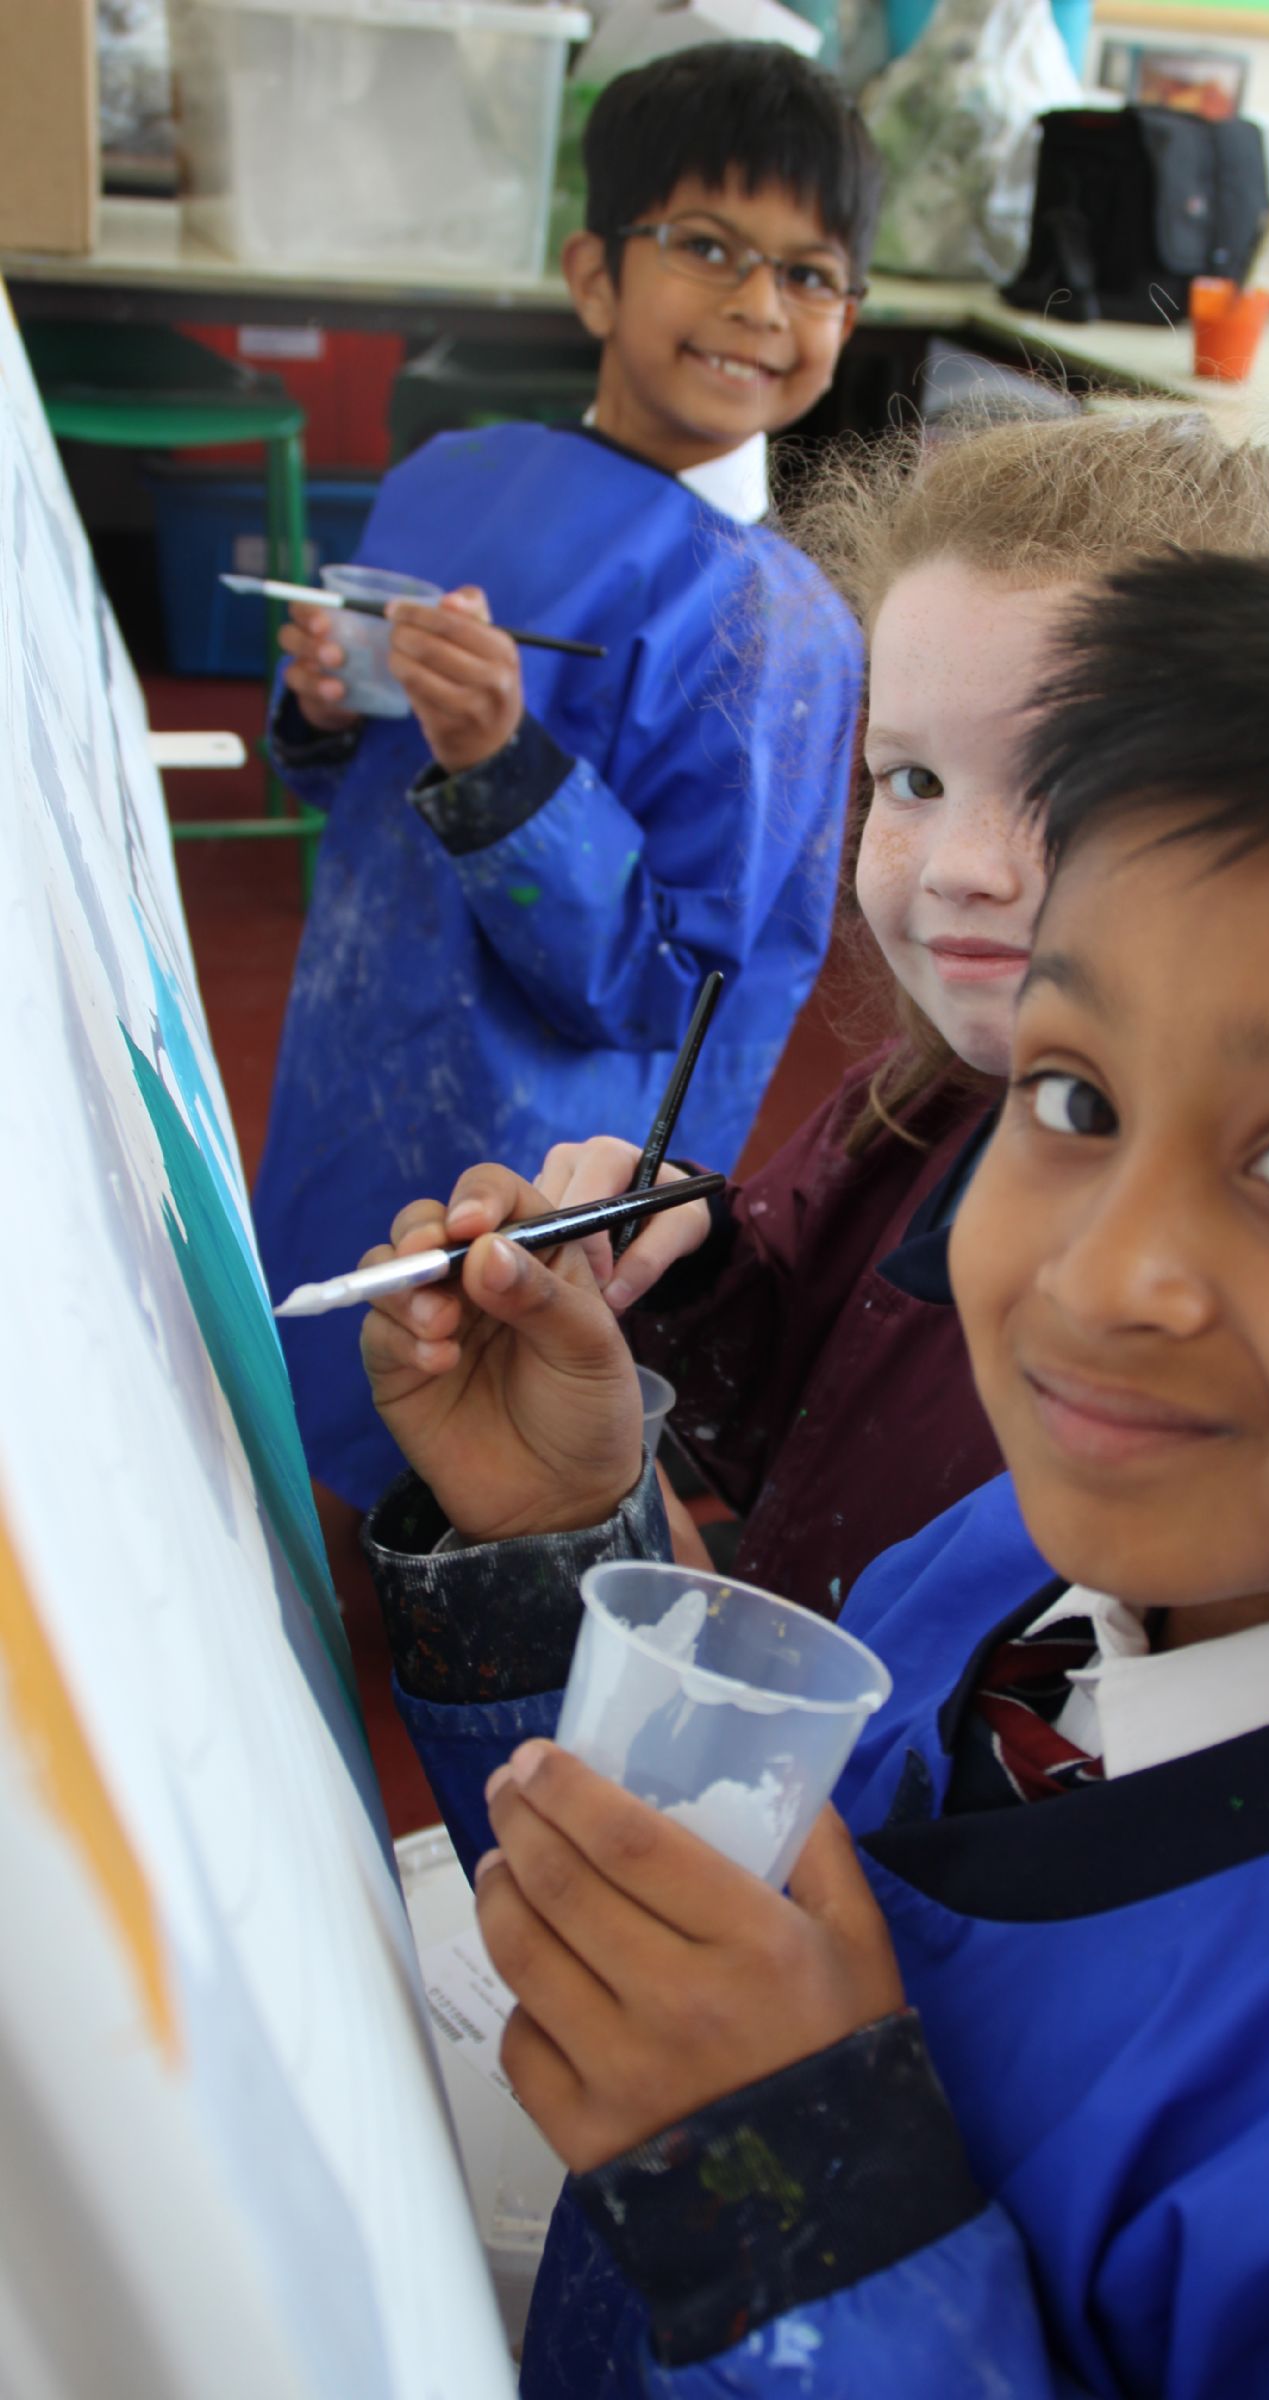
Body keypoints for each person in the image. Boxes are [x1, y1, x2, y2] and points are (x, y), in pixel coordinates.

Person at [360, 544, 1269, 2397]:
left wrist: (798, 2198)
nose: (1096, 1280)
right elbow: (731, 1917)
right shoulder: (1034, 1544)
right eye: (1077, 1096)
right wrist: (556, 1544)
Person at [454, 411, 1269, 1614]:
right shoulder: (917, 1102)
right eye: (911, 779)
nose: (960, 865)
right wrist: (679, 1272)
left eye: (1069, 783)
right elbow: (809, 1408)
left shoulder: (1261, 1312)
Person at [250, 43, 882, 1508]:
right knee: (291, 1386)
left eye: (810, 274)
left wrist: (501, 763)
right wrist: (332, 706)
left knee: (448, 1448)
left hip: (528, 1146)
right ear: (596, 274)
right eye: (709, 248)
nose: (755, 306)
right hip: (356, 1057)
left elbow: (674, 987)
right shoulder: (454, 477)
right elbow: (351, 804)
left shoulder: (777, 628)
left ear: (850, 317)